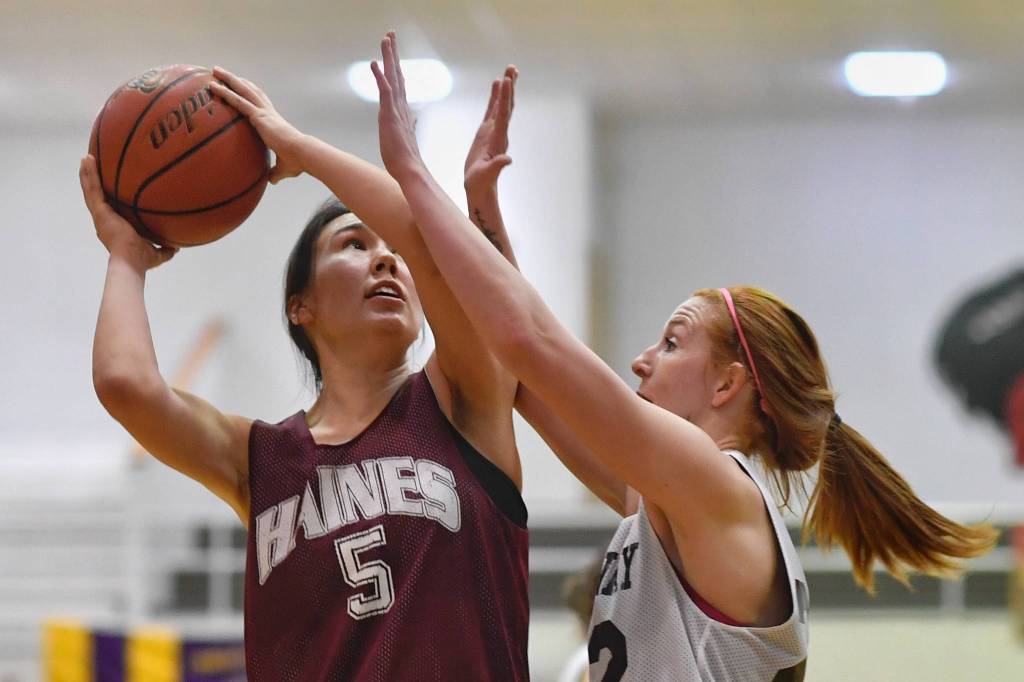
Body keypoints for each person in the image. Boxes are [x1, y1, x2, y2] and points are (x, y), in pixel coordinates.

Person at [369, 32, 999, 681]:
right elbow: (524, 379)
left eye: (671, 342)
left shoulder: (714, 484)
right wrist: (484, 210)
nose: (643, 360)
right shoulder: (673, 501)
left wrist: (410, 170)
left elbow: (527, 343)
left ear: (728, 385)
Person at [83, 62, 530, 680]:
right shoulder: (261, 459)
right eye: (354, 245)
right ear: (302, 307)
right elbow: (125, 385)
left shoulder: (463, 401)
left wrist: (302, 150)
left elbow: (445, 259)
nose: (387, 263)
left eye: (394, 252)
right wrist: (126, 257)